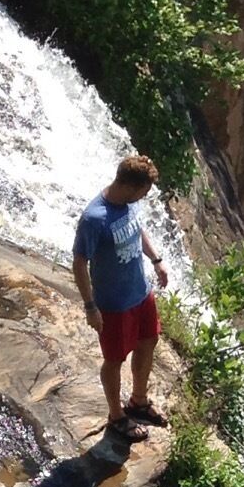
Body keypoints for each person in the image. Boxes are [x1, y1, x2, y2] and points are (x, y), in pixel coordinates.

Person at [72, 153, 170, 440]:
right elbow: (79, 262)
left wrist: (156, 259)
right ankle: (116, 416)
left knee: (148, 341)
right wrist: (91, 307)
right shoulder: (94, 218)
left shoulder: (126, 204)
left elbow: (137, 230)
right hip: (113, 305)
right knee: (114, 359)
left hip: (140, 293)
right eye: (144, 191)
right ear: (129, 186)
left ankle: (138, 401)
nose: (145, 196)